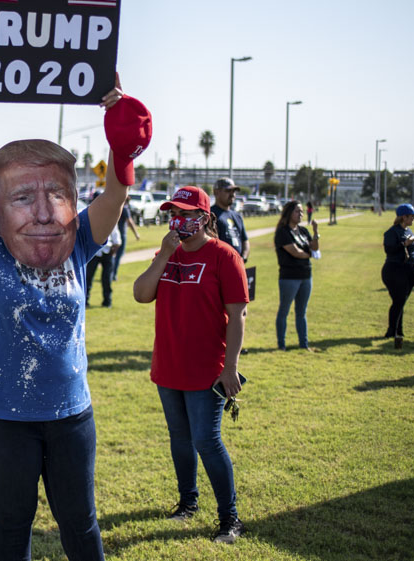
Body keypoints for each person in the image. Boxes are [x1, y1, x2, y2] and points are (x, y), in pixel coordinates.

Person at [0, 68, 147, 561]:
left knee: (81, 523)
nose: (42, 211)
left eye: (57, 196)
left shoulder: (77, 244)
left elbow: (116, 194)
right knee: (14, 524)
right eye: (23, 197)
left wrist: (118, 128)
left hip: (71, 412)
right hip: (2, 415)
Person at [132, 186, 248, 545]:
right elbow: (141, 293)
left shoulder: (224, 257)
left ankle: (230, 519)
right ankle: (187, 502)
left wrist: (230, 368)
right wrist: (164, 255)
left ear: (204, 218)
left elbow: (238, 316)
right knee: (180, 439)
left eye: (185, 214)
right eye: (173, 214)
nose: (177, 221)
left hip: (206, 369)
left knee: (207, 441)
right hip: (168, 366)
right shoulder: (166, 254)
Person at [273, 200, 320, 351]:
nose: (300, 214)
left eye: (301, 211)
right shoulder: (283, 232)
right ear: (288, 213)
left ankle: (303, 344)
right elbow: (296, 253)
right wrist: (310, 254)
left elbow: (315, 248)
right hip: (289, 277)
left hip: (306, 275)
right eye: (297, 211)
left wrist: (315, 232)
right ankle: (281, 345)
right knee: (284, 311)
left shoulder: (303, 231)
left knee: (302, 312)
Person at [383, 203, 414, 346]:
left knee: (401, 301)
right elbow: (390, 250)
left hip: (408, 270)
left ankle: (398, 330)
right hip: (394, 270)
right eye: (411, 216)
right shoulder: (392, 232)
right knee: (398, 301)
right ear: (403, 217)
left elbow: (411, 249)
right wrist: (404, 244)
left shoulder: (409, 231)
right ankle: (392, 331)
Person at [86, 213, 121, 308]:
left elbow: (117, 241)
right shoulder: (92, 220)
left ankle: (107, 301)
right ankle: (85, 300)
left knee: (107, 278)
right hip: (94, 252)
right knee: (88, 277)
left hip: (107, 252)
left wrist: (112, 253)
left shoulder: (112, 220)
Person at [211, 178, 250, 262]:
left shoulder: (237, 216)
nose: (232, 194)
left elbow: (245, 241)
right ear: (216, 192)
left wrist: (243, 258)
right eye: (228, 191)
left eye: (234, 191)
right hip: (219, 267)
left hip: (237, 266)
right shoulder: (210, 215)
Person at [110, 203, 140, 281]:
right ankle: (113, 274)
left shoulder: (115, 207)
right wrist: (136, 233)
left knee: (113, 254)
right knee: (119, 255)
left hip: (113, 234)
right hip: (121, 234)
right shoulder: (125, 209)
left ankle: (111, 273)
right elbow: (129, 221)